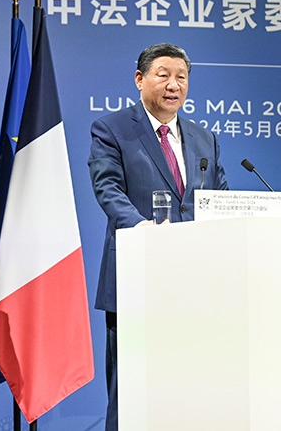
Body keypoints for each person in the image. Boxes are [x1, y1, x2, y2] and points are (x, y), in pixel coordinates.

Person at [88, 43, 228, 430]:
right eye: (163, 74)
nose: (173, 85)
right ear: (140, 79)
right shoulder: (112, 129)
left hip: (196, 284)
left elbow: (219, 199)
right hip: (137, 277)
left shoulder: (204, 139)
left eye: (181, 77)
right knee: (132, 392)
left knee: (190, 391)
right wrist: (140, 229)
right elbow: (107, 187)